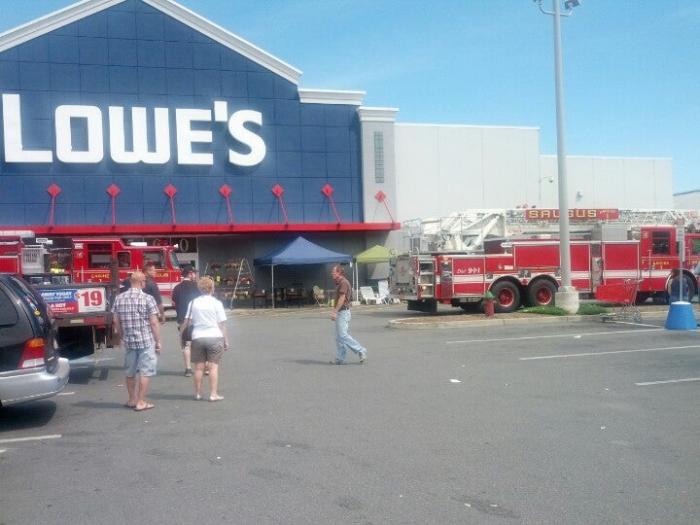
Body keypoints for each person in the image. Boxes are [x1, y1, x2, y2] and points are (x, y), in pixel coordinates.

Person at [111, 271, 161, 412]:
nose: (145, 283)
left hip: (129, 340)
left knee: (130, 372)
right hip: (146, 340)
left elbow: (116, 321)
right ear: (141, 282)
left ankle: (132, 399)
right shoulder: (148, 298)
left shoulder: (119, 298)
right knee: (145, 371)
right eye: (144, 281)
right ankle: (141, 401)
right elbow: (154, 322)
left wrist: (122, 335)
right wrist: (158, 341)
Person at [181, 277, 228, 401]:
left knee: (198, 368)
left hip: (198, 336)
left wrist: (182, 336)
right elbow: (222, 324)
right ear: (212, 288)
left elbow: (187, 322)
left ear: (199, 289)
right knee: (213, 367)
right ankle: (213, 394)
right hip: (214, 336)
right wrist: (226, 340)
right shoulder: (217, 303)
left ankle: (198, 393)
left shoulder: (193, 303)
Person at [329, 265, 367, 365]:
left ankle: (361, 350)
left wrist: (335, 312)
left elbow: (342, 298)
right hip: (341, 312)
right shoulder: (339, 282)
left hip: (343, 312)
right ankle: (340, 358)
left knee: (342, 335)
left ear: (339, 273)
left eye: (333, 271)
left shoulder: (343, 283)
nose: (332, 273)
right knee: (339, 337)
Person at [172, 265, 201, 377]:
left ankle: (188, 369)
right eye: (194, 273)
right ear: (190, 273)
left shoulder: (177, 288)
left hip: (182, 320)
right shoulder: (197, 287)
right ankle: (205, 368)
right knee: (199, 344)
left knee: (186, 345)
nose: (195, 275)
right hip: (196, 319)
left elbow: (174, 302)